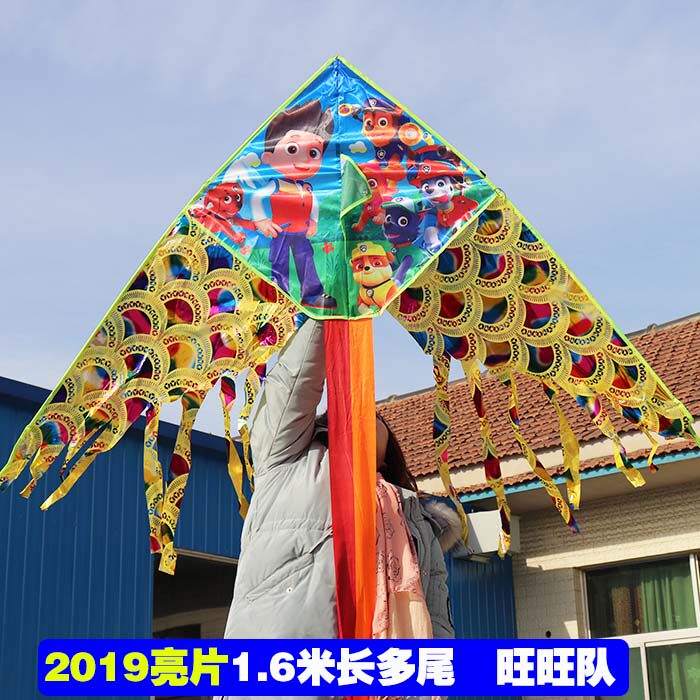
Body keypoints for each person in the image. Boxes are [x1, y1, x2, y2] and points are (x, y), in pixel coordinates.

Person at [217, 319, 460, 699]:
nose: (364, 416)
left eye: (374, 416)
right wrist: (326, 312)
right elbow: (291, 387)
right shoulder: (285, 460)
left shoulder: (415, 517)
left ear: (388, 450)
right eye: (352, 413)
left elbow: (436, 618)